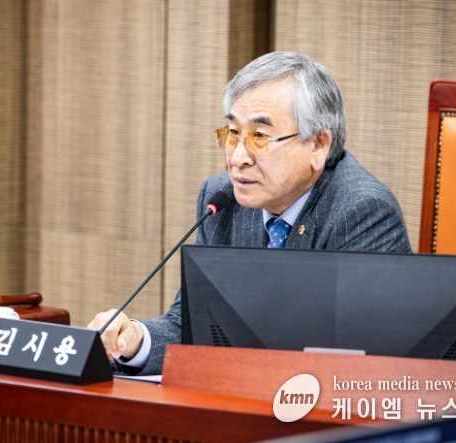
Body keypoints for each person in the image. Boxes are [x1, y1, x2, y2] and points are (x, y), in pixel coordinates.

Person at [88, 51, 411, 375]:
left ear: (317, 145)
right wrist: (134, 340)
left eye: (259, 136)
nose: (238, 158)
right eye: (233, 133)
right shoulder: (222, 201)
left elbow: (365, 361)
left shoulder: (363, 212)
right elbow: (192, 328)